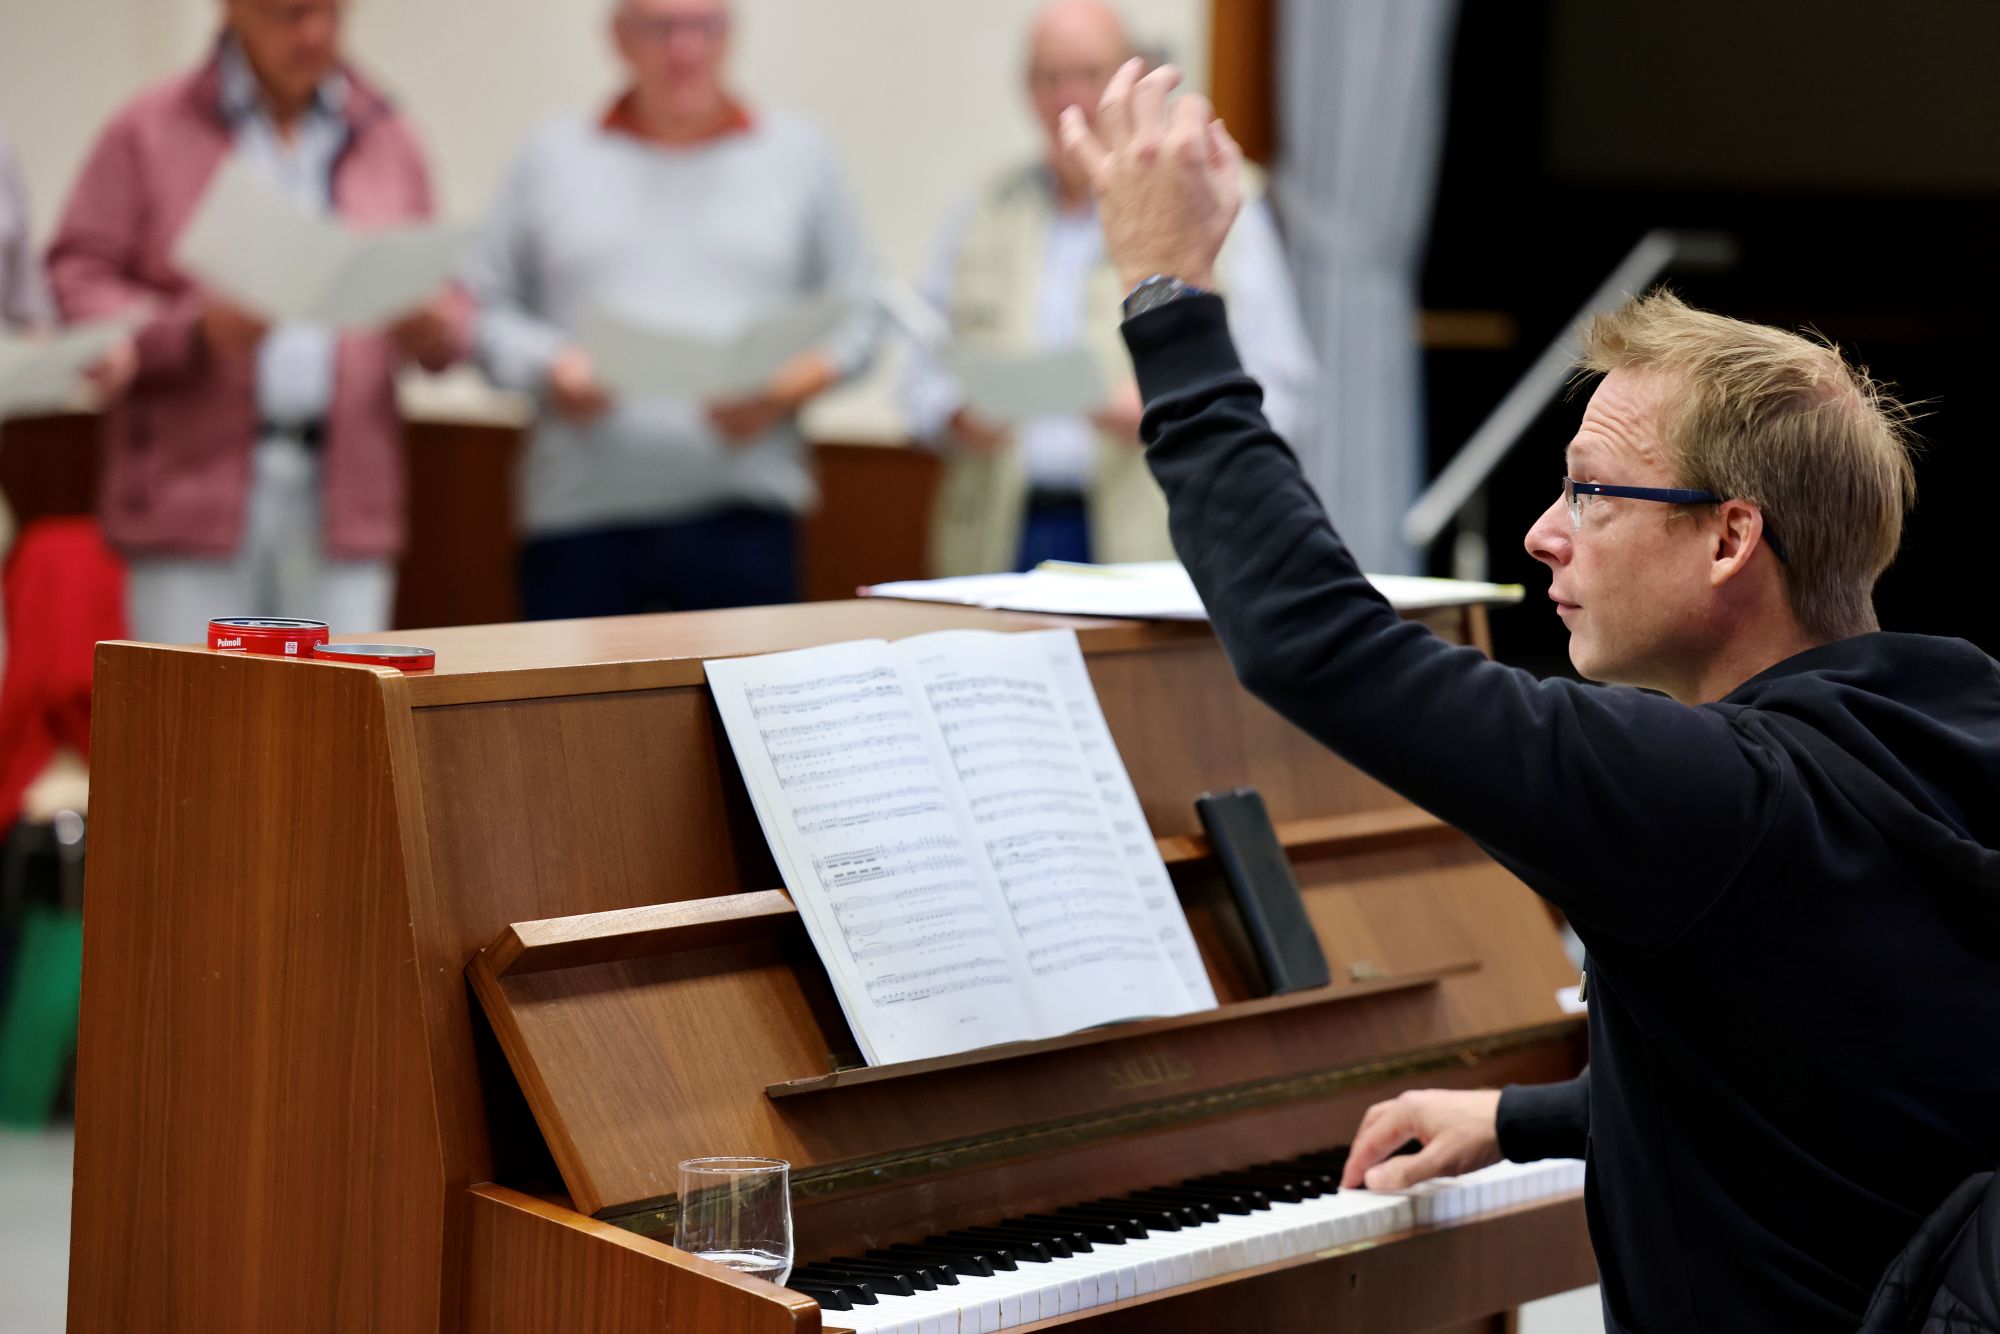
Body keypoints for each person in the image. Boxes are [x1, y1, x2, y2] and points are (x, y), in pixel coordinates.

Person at [1060, 60, 2000, 1332]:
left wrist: (1167, 294)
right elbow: (1825, 1066)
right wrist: (1521, 1115)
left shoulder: (1705, 794)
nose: (1542, 533)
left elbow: (1312, 641)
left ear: (1730, 539)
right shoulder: (1947, 724)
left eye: (1591, 492)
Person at [46, 0, 466, 645]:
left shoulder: (387, 133)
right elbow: (78, 276)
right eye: (288, 13)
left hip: (345, 496)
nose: (314, 33)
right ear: (232, 9)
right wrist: (189, 330)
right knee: (195, 704)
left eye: (331, 11)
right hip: (188, 494)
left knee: (339, 703)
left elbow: (454, 297)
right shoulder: (149, 128)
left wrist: (435, 324)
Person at [464, 0, 881, 620]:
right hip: (578, 523)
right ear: (619, 37)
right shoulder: (550, 155)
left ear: (730, 35)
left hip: (747, 519)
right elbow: (481, 306)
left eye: (704, 27)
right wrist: (549, 365)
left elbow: (863, 312)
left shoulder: (799, 155)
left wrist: (785, 387)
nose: (685, 50)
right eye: (661, 28)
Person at [903, 0, 1312, 575]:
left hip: (1152, 538)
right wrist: (959, 415)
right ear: (1026, 87)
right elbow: (921, 374)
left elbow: (1284, 392)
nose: (1068, 98)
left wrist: (1173, 409)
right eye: (1049, 78)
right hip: (1000, 534)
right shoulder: (987, 207)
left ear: (1132, 79)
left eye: (1090, 74)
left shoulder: (1211, 196)